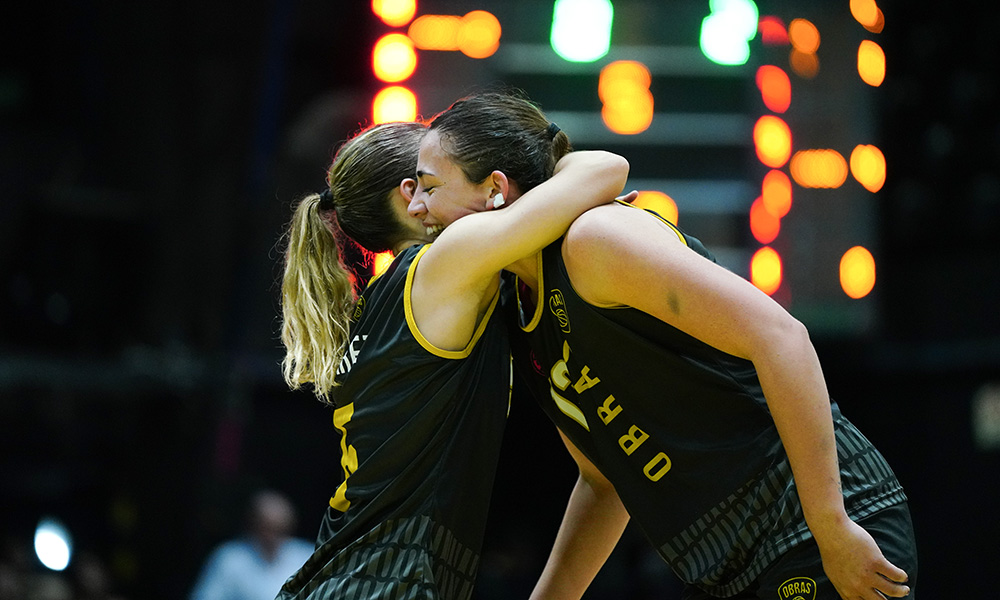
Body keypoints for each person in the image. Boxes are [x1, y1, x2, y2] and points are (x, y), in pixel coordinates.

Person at [408, 97, 919, 599]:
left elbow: (782, 338)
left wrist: (831, 527)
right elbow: (605, 481)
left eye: (430, 187)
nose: (415, 208)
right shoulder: (515, 309)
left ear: (496, 189)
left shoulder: (593, 241)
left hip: (810, 522)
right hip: (725, 564)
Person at [276, 93, 630, 600]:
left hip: (347, 577)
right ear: (410, 194)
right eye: (438, 173)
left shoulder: (389, 300)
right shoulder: (442, 265)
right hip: (381, 583)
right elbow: (604, 168)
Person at [190, 490, 313, 600]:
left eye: (280, 530)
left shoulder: (306, 556)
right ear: (253, 525)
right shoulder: (229, 559)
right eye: (267, 528)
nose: (273, 537)